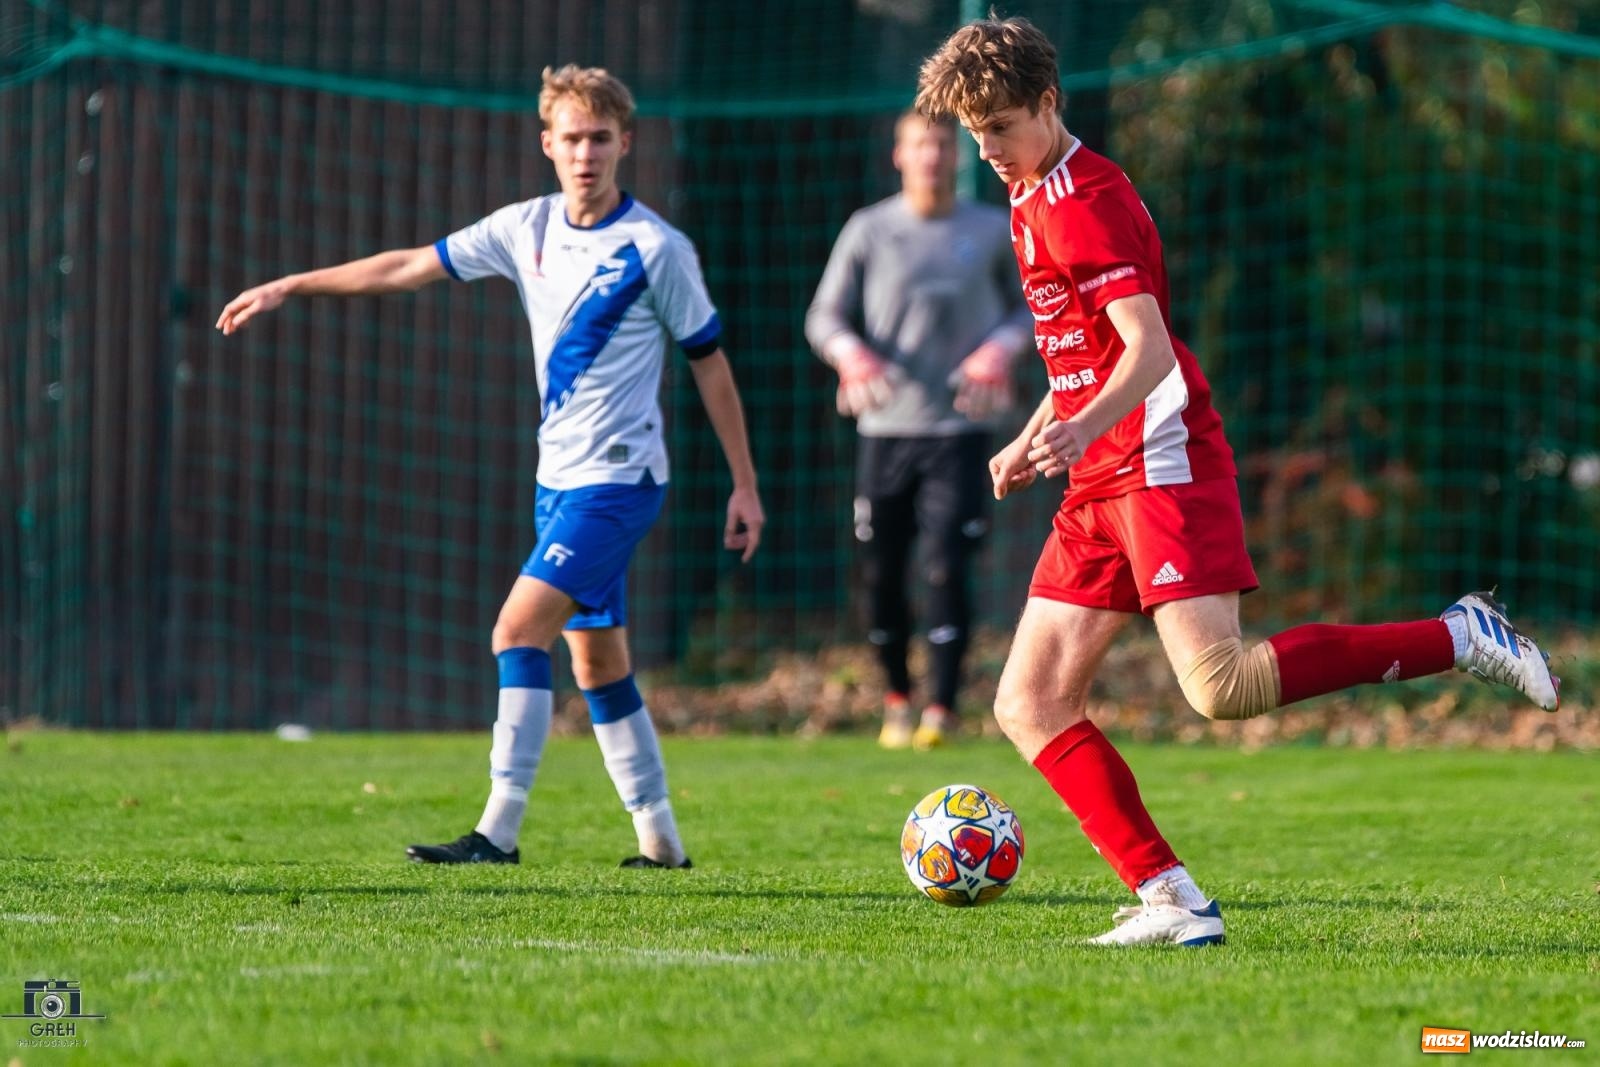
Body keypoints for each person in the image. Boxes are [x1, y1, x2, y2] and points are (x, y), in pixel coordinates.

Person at [914, 17, 1558, 946]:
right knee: (1030, 702)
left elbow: (1145, 350)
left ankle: (1458, 634)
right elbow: (1079, 357)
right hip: (1100, 471)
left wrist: (1084, 426)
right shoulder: (1028, 193)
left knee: (1221, 685)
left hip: (1160, 461)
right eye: (976, 135)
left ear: (1049, 104)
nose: (989, 151)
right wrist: (1035, 434)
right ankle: (1171, 898)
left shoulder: (1085, 200)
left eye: (1003, 128)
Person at [217, 64, 765, 870]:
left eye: (601, 138)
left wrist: (744, 481)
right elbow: (409, 265)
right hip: (559, 481)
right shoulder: (526, 229)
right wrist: (295, 284)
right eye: (572, 138)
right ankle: (662, 844)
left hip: (618, 482)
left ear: (626, 144)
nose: (587, 153)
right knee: (598, 660)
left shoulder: (656, 249)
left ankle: (497, 832)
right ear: (548, 144)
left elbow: (710, 364)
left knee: (516, 630)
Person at [805, 110, 1032, 751]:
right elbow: (823, 317)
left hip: (960, 429)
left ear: (956, 157)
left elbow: (1032, 310)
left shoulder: (991, 229)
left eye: (941, 146)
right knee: (880, 570)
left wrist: (999, 350)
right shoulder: (869, 230)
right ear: (899, 156)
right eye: (919, 146)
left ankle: (942, 708)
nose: (931, 157)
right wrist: (850, 353)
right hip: (884, 429)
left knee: (946, 567)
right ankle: (896, 698)